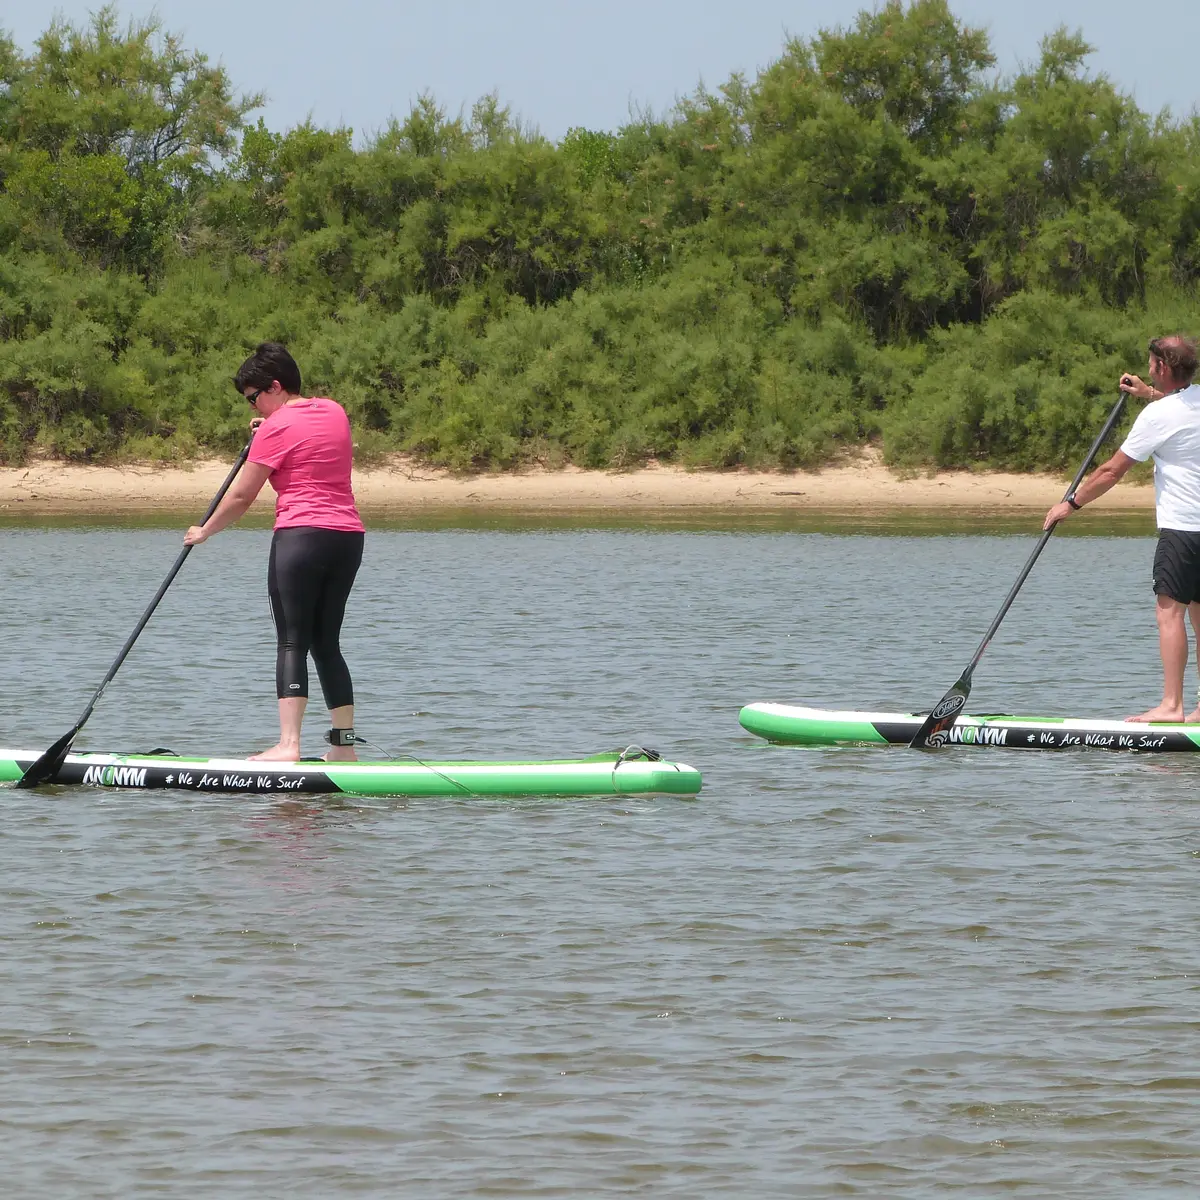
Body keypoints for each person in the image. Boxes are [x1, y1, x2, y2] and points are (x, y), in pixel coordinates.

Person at [183, 342, 366, 761]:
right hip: (347, 538)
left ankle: (288, 745)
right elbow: (304, 438)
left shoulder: (275, 427)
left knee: (291, 641)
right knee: (327, 643)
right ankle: (343, 748)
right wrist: (267, 426)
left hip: (301, 538)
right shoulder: (334, 411)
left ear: (275, 386)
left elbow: (242, 496)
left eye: (254, 398)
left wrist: (205, 531)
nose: (253, 406)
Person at [1043, 335, 1200, 721]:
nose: (1147, 368)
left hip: (1182, 530)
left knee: (1170, 614)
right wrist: (1150, 394)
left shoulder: (1156, 417)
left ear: (1162, 367)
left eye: (1151, 363)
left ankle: (1172, 705)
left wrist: (1071, 504)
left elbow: (1112, 471)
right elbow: (1181, 409)